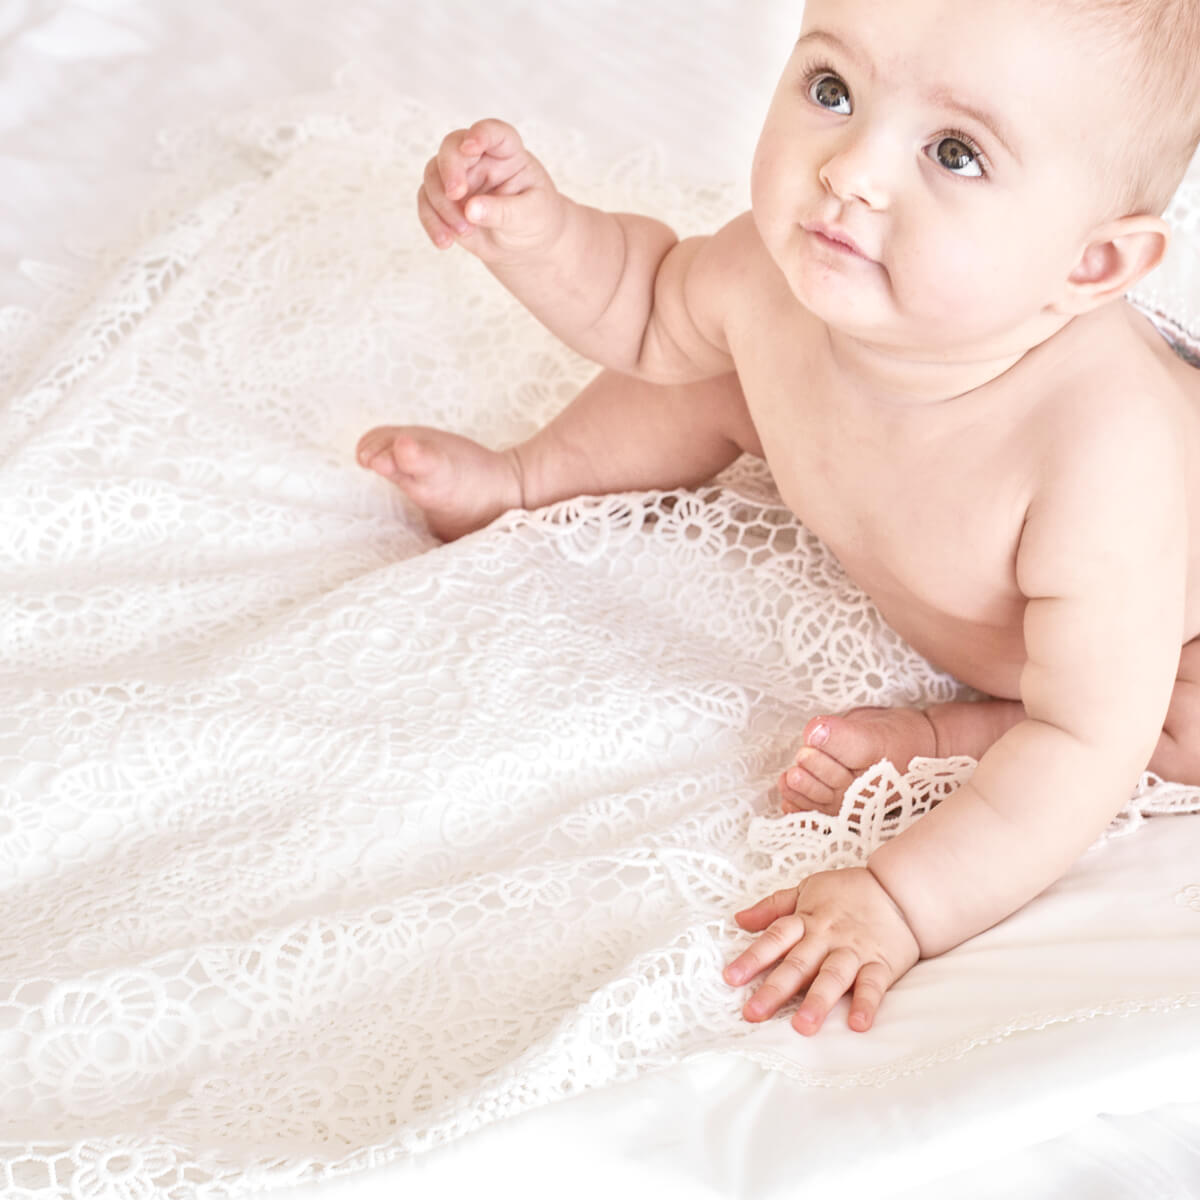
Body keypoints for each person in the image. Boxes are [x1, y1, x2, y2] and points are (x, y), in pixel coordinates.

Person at [356, 0, 1200, 1035]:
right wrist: (533, 233)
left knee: (1166, 721)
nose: (850, 169)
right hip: (972, 559)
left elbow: (1084, 743)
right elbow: (648, 309)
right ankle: (527, 480)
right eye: (833, 89)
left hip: (1165, 640)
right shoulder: (787, 277)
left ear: (1090, 266)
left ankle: (952, 733)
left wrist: (899, 902)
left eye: (954, 153)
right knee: (717, 367)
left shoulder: (1100, 458)